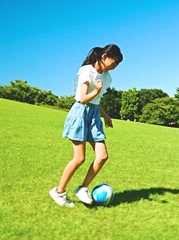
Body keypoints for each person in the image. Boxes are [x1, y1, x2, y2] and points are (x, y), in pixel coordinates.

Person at [49, 44, 123, 207]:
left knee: (102, 156)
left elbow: (97, 101)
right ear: (104, 57)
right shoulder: (86, 70)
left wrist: (106, 116)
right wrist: (96, 91)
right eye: (114, 61)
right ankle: (59, 192)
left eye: (118, 63)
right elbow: (82, 98)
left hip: (94, 115)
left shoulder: (108, 78)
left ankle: (82, 188)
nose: (115, 66)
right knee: (79, 158)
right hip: (80, 113)